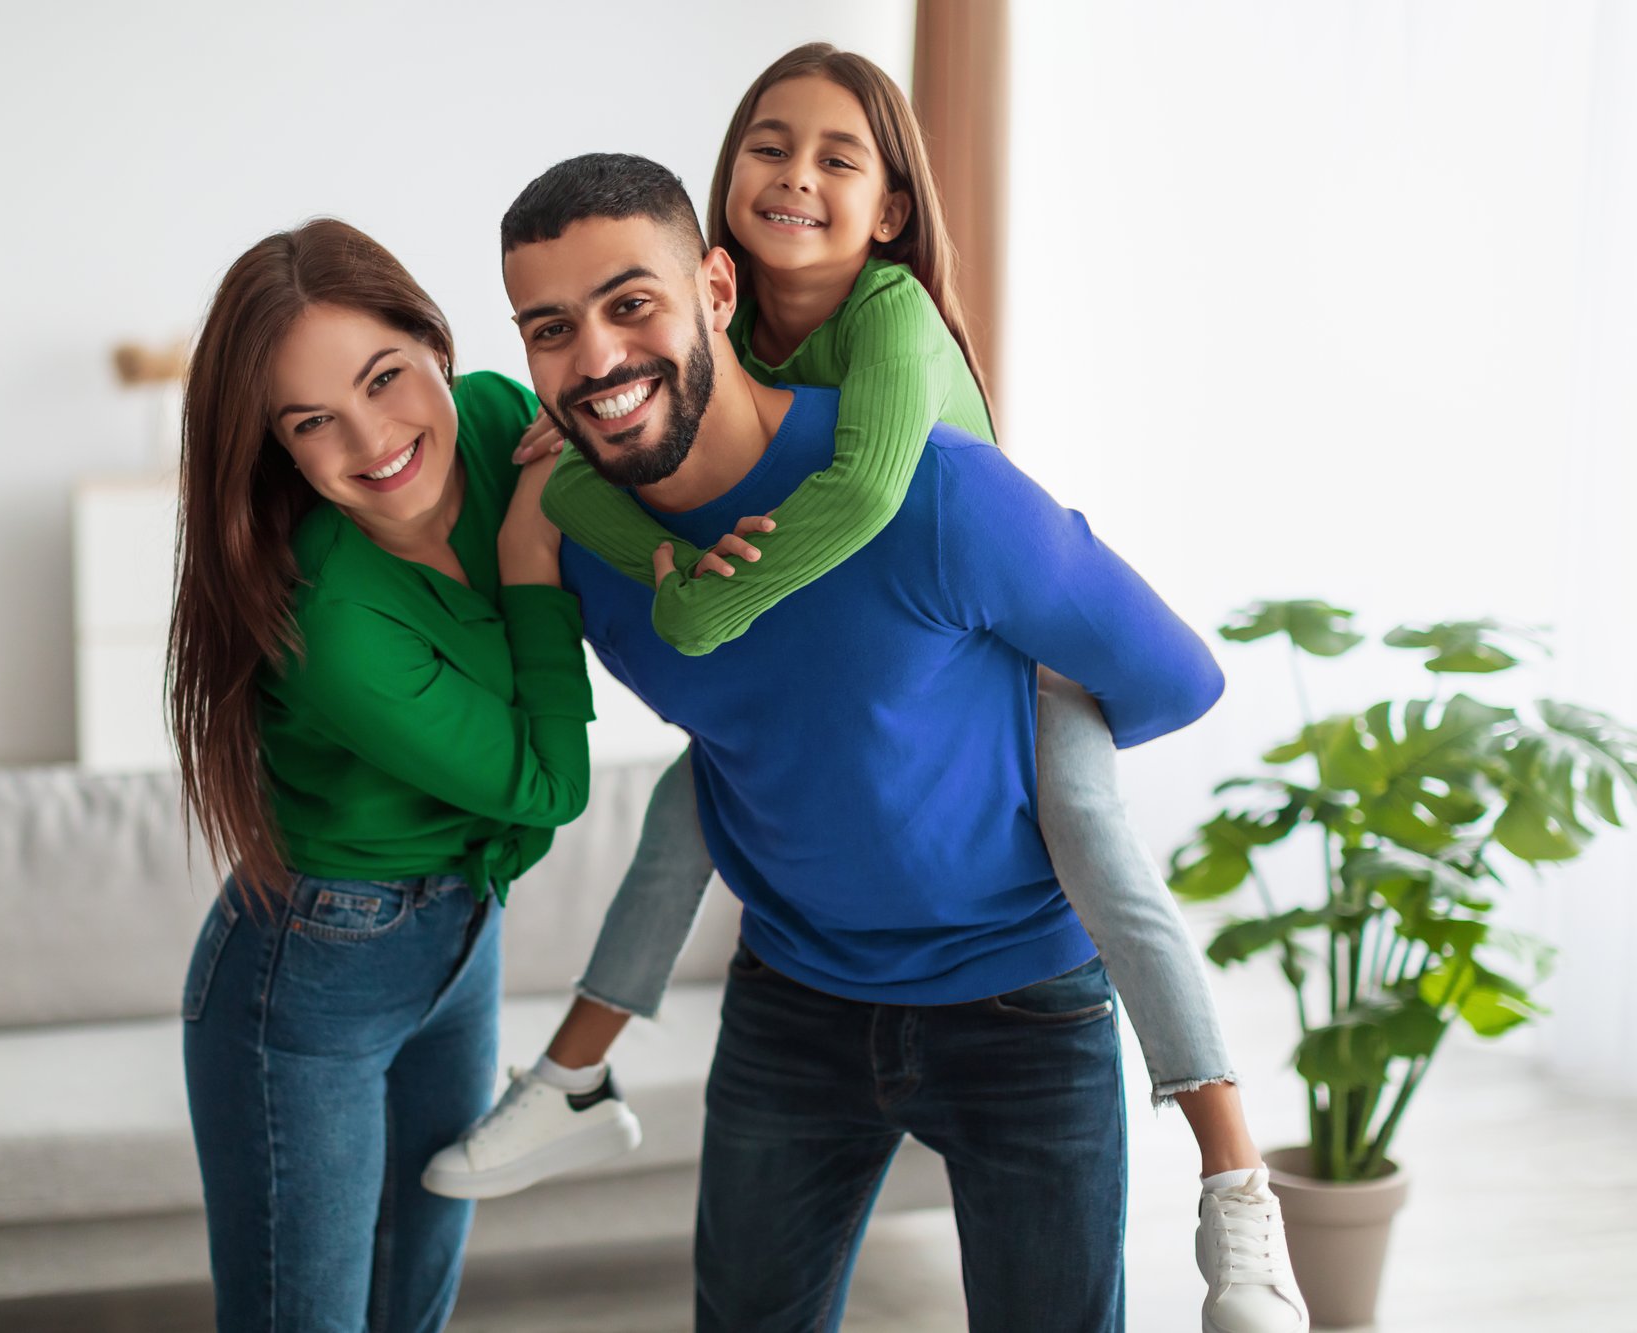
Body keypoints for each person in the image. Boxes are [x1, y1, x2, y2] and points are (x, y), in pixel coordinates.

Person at [425, 47, 1306, 1333]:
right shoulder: (594, 545)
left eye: (630, 305)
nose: (595, 354)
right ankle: (571, 1074)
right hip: (790, 1002)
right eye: (550, 328)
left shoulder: (931, 471)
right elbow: (686, 724)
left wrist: (1010, 730)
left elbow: (1171, 678)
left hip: (1024, 1003)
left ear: (712, 289)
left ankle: (1236, 1184)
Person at [168, 218, 589, 1333]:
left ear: (434, 343)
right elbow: (547, 785)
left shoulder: (504, 421)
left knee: (416, 1304)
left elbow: (650, 523)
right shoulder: (336, 625)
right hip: (315, 973)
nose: (372, 439)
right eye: (313, 422)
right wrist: (532, 556)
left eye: (383, 377)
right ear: (281, 451)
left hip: (462, 935)